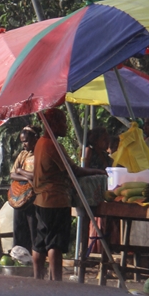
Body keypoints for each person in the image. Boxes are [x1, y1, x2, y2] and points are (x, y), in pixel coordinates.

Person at [32, 108, 106, 281]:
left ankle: (38, 278)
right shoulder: (52, 145)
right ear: (54, 125)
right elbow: (73, 170)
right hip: (55, 200)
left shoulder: (40, 143)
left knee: (40, 241)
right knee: (54, 243)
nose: (66, 126)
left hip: (41, 200)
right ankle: (57, 280)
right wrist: (97, 171)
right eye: (63, 122)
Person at [8, 125, 41, 253]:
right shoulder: (23, 155)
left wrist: (21, 171)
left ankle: (35, 257)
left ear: (35, 138)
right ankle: (19, 255)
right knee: (19, 227)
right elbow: (12, 174)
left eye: (26, 141)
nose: (24, 145)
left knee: (33, 227)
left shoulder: (40, 154)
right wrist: (27, 177)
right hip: (21, 197)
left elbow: (37, 175)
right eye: (22, 142)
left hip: (35, 198)